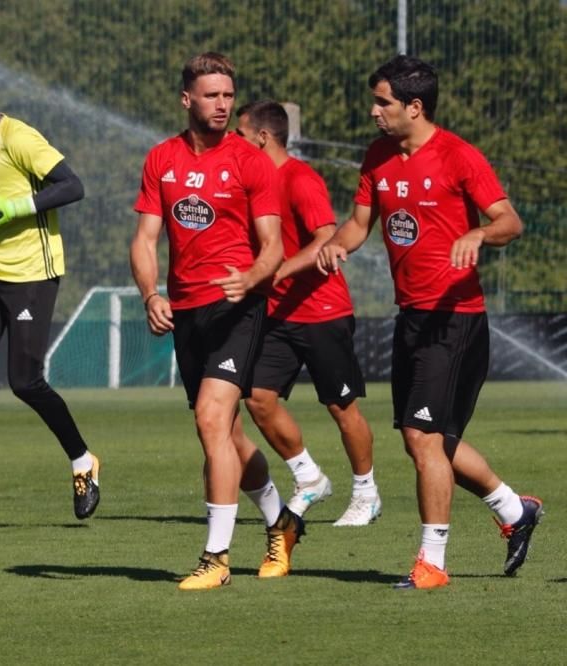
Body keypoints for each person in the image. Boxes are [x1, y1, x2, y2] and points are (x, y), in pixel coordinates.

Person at [317, 55, 543, 589]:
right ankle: (514, 510)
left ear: (414, 107)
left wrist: (478, 235)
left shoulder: (459, 156)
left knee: (423, 436)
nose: (374, 111)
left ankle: (432, 564)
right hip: (412, 319)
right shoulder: (377, 156)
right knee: (429, 441)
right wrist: (334, 247)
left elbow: (510, 220)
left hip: (455, 322)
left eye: (383, 102)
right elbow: (358, 225)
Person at [130, 52, 304, 590]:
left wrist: (251, 277)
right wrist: (149, 294)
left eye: (229, 95)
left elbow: (273, 246)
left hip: (239, 309)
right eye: (211, 95)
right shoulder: (161, 158)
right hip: (186, 313)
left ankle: (216, 559)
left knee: (211, 419)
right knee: (226, 434)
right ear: (188, 100)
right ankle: (280, 521)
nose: (223, 104)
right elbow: (144, 239)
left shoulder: (251, 161)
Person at [0, 57, 100, 525]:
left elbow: (72, 186)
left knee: (24, 381)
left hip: (32, 274)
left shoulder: (19, 137)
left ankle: (83, 461)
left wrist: (17, 208)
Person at [234, 101, 381, 527]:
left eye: (240, 135)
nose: (232, 143)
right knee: (258, 399)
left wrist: (278, 271)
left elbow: (325, 239)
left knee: (341, 407)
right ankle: (309, 477)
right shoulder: (252, 182)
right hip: (277, 315)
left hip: (322, 311)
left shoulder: (300, 178)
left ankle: (366, 494)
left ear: (262, 137)